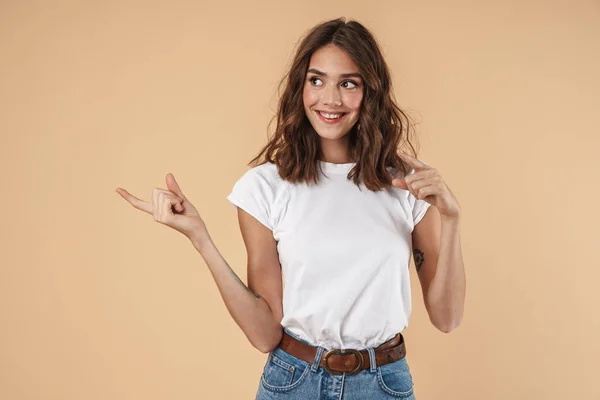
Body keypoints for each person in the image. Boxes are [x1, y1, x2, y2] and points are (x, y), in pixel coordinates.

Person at [116, 17, 465, 400]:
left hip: (383, 383)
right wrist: (201, 238)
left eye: (348, 83)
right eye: (316, 80)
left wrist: (451, 219)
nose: (329, 99)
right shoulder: (264, 188)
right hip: (294, 383)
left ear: (370, 92)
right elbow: (265, 334)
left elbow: (447, 318)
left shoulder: (407, 184)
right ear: (301, 87)